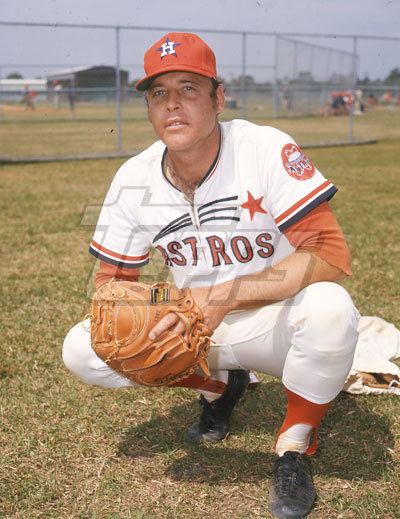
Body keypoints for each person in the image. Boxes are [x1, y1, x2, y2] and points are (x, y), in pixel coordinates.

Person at [63, 32, 360, 519]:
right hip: (194, 329)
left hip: (275, 319)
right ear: (149, 108)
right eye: (159, 93)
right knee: (82, 348)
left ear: (219, 98)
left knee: (332, 310)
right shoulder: (133, 177)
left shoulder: (263, 148)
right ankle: (219, 388)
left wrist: (218, 299)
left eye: (188, 89)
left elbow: (330, 253)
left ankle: (295, 444)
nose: (173, 105)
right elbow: (111, 283)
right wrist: (145, 319)